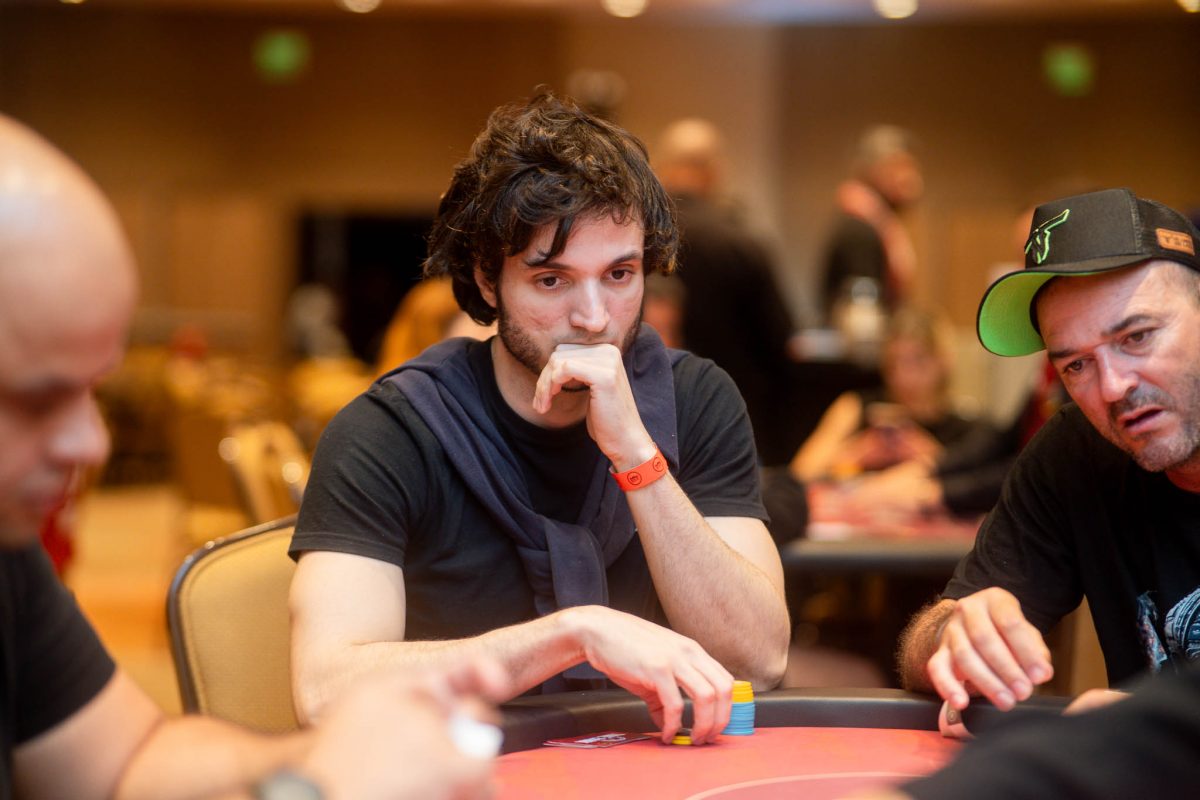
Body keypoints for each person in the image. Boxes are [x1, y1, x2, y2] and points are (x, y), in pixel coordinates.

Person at [0, 112, 504, 799]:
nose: (94, 444)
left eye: (91, 390)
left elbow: (126, 761)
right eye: (38, 400)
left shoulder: (9, 559)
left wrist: (321, 761)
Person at [288, 93, 790, 745]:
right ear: (487, 281)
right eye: (552, 280)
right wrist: (573, 635)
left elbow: (759, 660)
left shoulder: (695, 399)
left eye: (619, 274)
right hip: (458, 770)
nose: (594, 317)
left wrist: (636, 457)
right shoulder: (390, 430)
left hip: (651, 769)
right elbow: (324, 691)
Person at [896, 187, 1200, 715]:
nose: (1112, 387)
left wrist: (1150, 725)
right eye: (1076, 365)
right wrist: (954, 638)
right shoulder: (1074, 453)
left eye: (1137, 337)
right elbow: (933, 643)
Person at [762, 306, 999, 544]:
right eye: (895, 363)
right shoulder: (856, 407)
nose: (904, 375)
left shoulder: (966, 427)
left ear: (944, 361)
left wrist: (928, 456)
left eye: (918, 361)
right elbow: (798, 475)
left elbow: (977, 488)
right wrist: (856, 453)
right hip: (851, 545)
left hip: (929, 549)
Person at [654, 118, 800, 466]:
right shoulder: (741, 241)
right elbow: (781, 338)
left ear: (662, 168)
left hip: (651, 408)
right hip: (733, 412)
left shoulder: (640, 238)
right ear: (713, 171)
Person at [820, 125, 923, 322]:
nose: (913, 180)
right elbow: (862, 318)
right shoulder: (859, 232)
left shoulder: (876, 225)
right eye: (902, 167)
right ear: (874, 170)